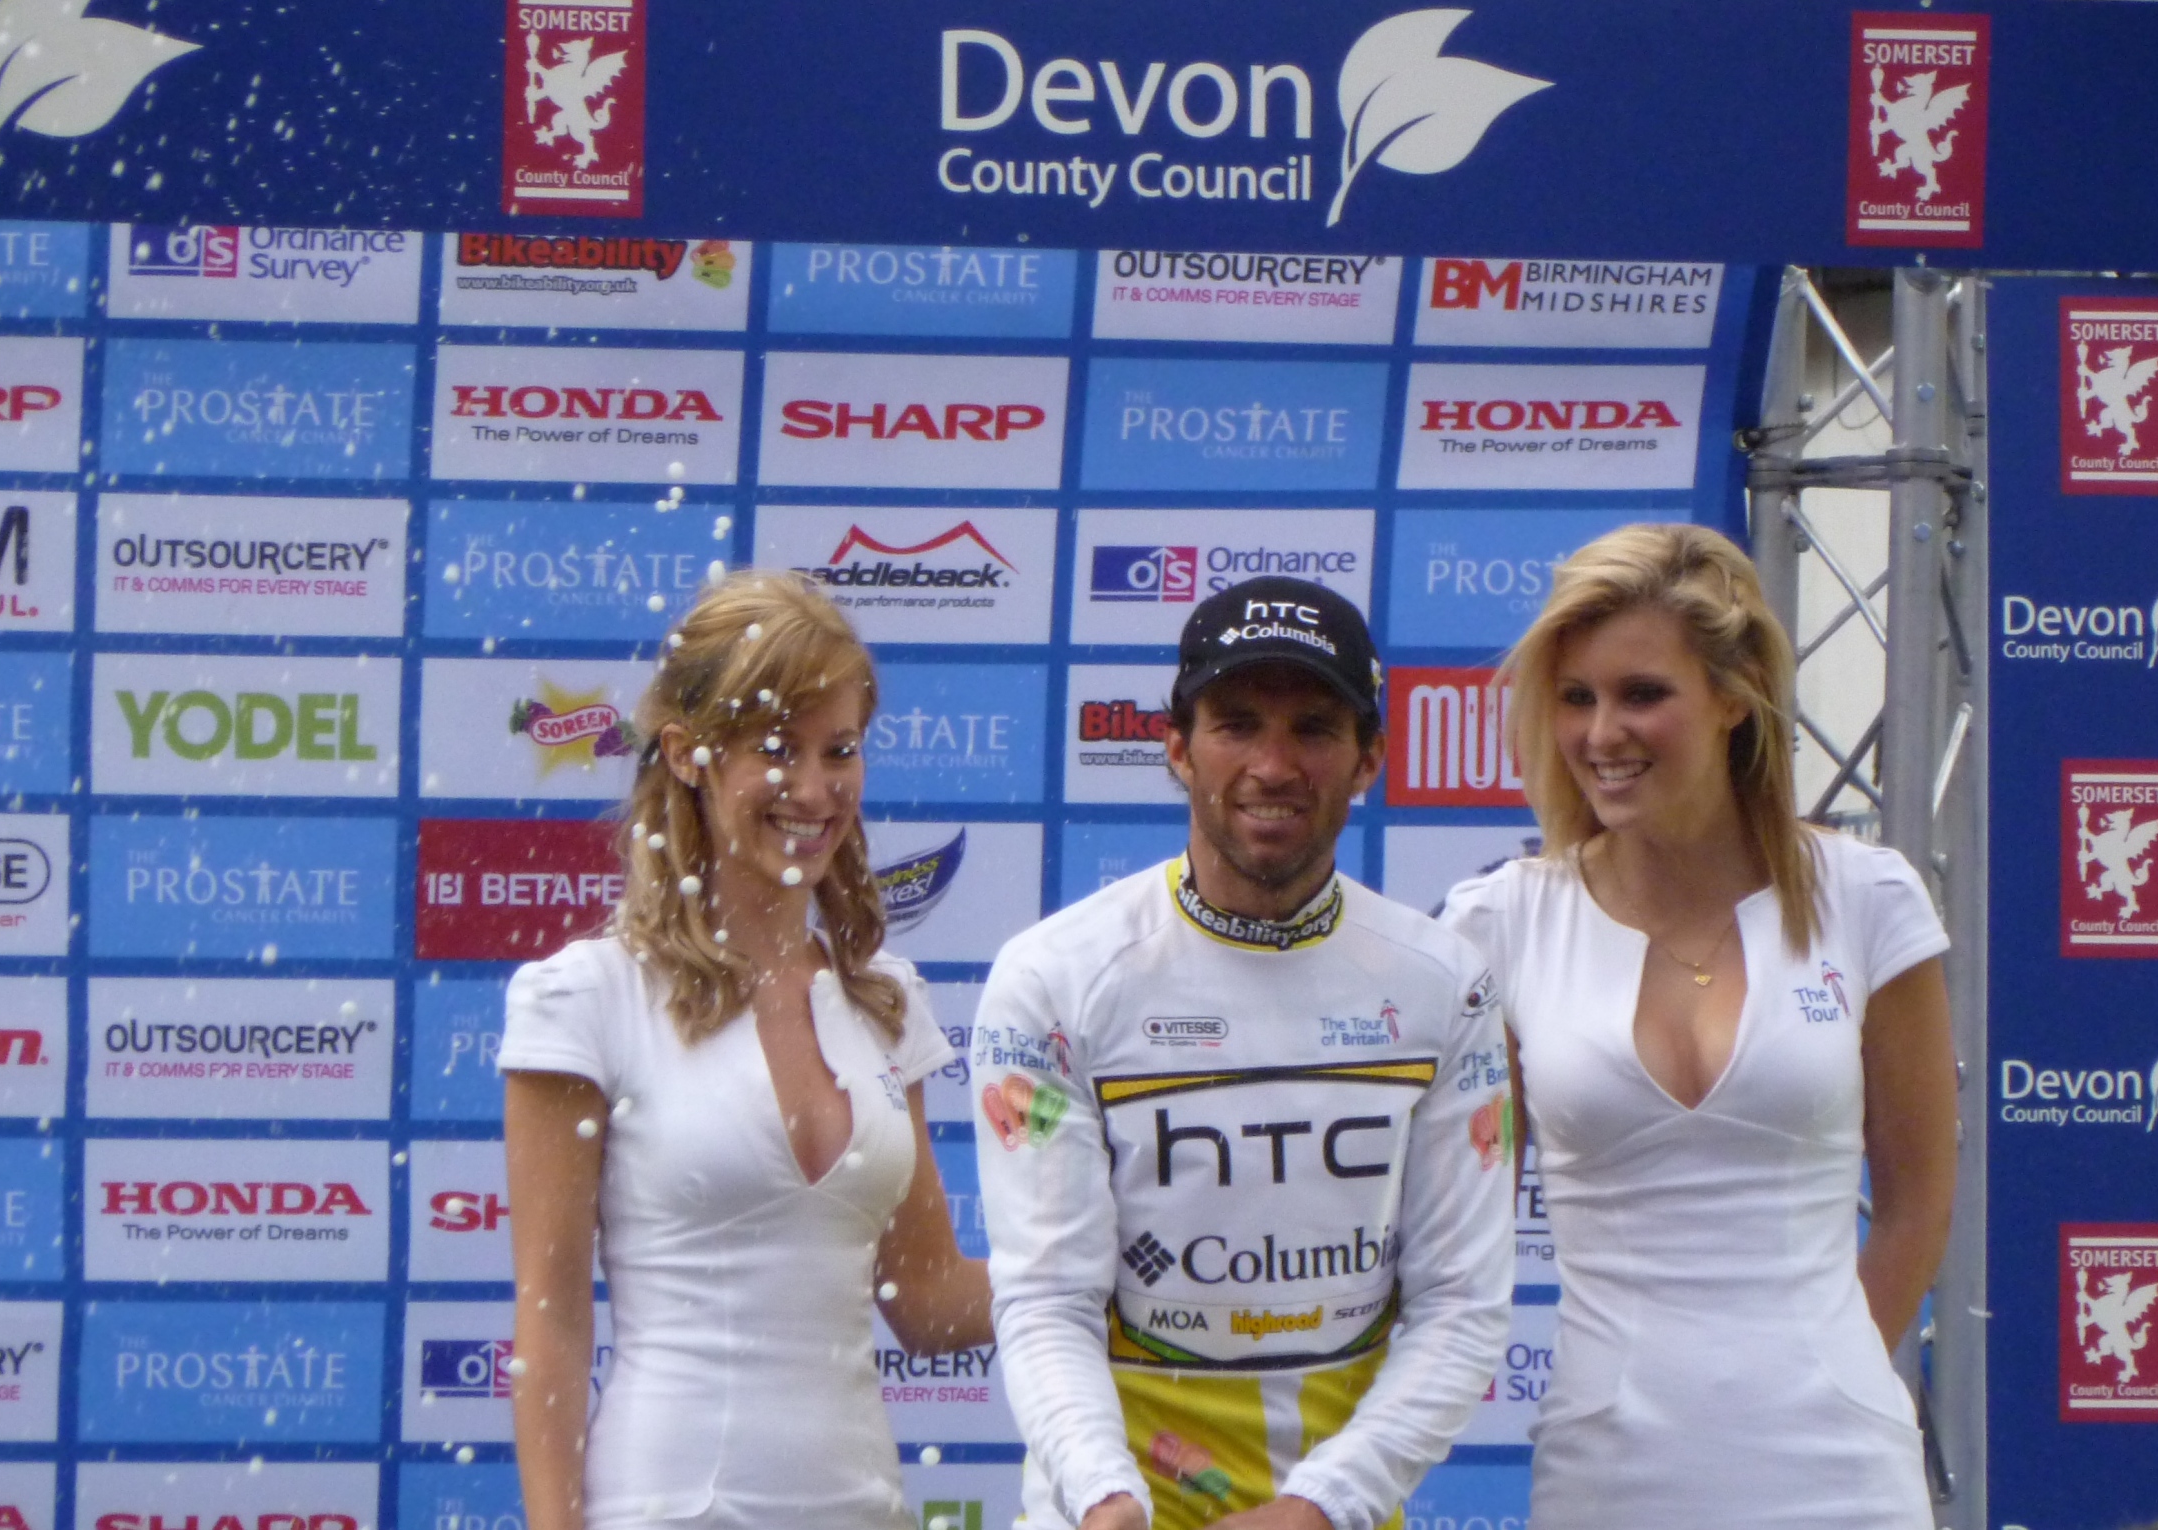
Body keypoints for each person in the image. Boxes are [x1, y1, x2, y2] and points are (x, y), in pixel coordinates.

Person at [1439, 523, 1958, 1529]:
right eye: (1575, 698)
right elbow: (1459, 1226)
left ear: (1734, 695)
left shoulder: (1867, 897)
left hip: (1842, 1469)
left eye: (1642, 694)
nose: (1602, 735)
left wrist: (1828, 1376)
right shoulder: (1499, 923)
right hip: (1607, 1471)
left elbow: (1917, 1202)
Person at [975, 578, 1514, 1530]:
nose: (1273, 765)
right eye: (1236, 725)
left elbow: (1462, 1306)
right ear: (1177, 747)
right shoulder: (1053, 979)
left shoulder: (1443, 983)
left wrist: (1320, 1506)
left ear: (1369, 757)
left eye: (1313, 728)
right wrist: (1103, 1498)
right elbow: (1048, 1300)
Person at [501, 571, 992, 1530]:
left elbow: (930, 1304)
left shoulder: (885, 1002)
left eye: (838, 750)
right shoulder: (585, 997)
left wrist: (1108, 1250)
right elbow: (551, 1322)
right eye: (776, 749)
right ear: (687, 754)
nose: (813, 789)